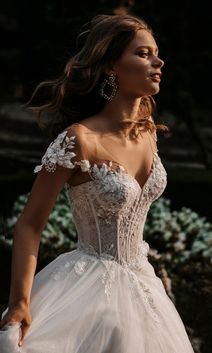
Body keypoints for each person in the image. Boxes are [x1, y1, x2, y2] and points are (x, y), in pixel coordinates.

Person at [0, 14, 195, 353]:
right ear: (110, 66)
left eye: (156, 53)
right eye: (143, 53)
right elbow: (30, 225)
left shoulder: (148, 132)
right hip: (88, 290)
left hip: (144, 289)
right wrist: (20, 299)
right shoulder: (79, 139)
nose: (158, 61)